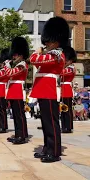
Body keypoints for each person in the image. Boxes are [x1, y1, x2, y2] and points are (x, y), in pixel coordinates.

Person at [29, 16, 69, 163]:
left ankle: (54, 151)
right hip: (43, 89)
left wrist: (36, 51)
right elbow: (38, 65)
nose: (46, 43)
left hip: (49, 89)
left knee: (51, 122)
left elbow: (33, 59)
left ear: (57, 41)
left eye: (49, 40)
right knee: (45, 123)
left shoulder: (57, 55)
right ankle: (47, 148)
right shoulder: (50, 55)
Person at [4, 37, 29, 144]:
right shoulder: (17, 64)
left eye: (16, 54)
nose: (13, 56)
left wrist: (7, 65)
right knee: (16, 115)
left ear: (21, 55)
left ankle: (22, 135)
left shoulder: (22, 65)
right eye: (13, 54)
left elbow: (10, 73)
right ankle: (18, 133)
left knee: (19, 115)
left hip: (18, 91)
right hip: (13, 91)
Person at [60, 46, 76, 133]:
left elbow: (61, 73)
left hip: (67, 89)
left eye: (66, 60)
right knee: (63, 109)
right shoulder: (66, 67)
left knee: (67, 109)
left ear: (70, 60)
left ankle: (68, 127)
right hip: (62, 89)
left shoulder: (71, 68)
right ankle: (64, 126)